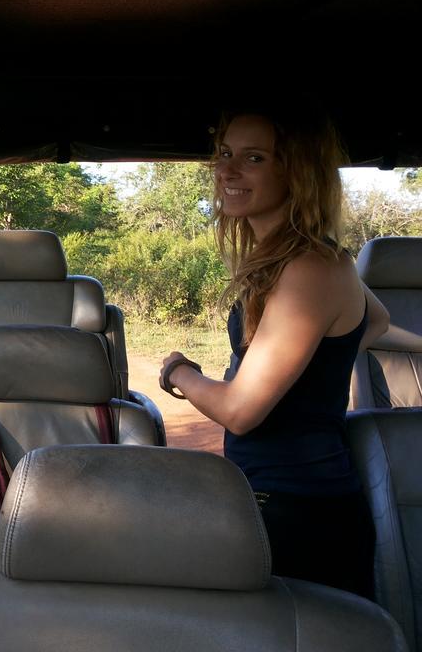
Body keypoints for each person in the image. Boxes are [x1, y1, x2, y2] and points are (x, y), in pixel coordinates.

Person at [159, 107, 389, 599]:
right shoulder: (314, 259)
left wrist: (178, 372)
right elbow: (378, 321)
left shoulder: (307, 267)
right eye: (224, 154)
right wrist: (315, 359)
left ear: (296, 172)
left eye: (254, 157)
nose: (227, 170)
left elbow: (240, 411)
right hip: (281, 502)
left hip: (298, 514)